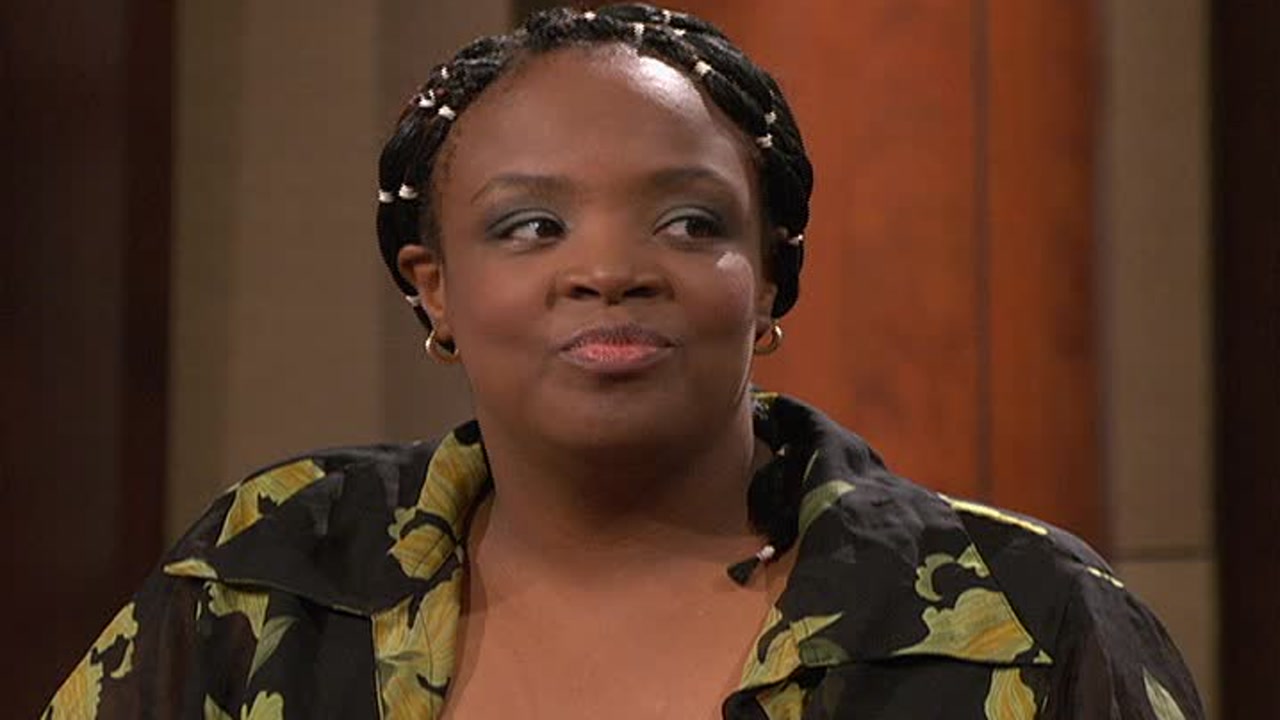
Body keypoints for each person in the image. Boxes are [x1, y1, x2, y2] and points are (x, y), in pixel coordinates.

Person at [43, 4, 1204, 719]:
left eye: (689, 223)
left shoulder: (1025, 612)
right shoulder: (267, 576)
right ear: (434, 289)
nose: (608, 270)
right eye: (530, 227)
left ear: (767, 280)